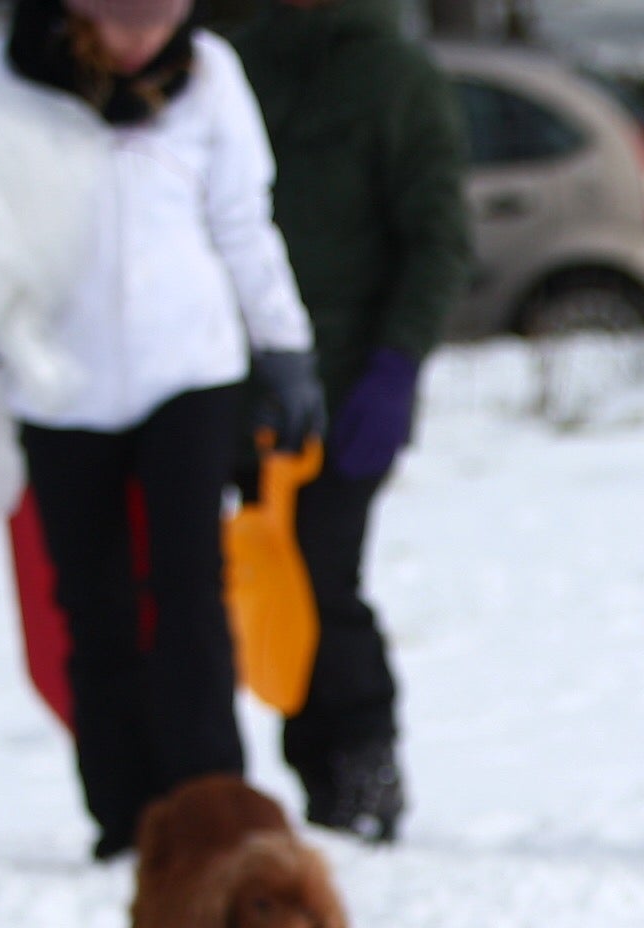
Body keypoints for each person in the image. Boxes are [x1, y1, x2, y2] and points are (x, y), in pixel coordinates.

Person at [1, 0, 321, 862]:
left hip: (188, 368)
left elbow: (243, 221)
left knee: (191, 592)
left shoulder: (208, 75)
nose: (143, 36)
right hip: (60, 383)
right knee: (92, 602)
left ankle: (212, 800)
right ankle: (125, 812)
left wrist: (283, 345)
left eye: (160, 15)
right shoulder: (11, 84)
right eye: (123, 18)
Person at [230, 0, 474, 843]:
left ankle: (363, 767)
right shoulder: (229, 64)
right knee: (263, 585)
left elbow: (439, 238)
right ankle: (308, 775)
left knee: (321, 577)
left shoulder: (396, 77)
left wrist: (397, 363)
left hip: (349, 386)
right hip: (234, 385)